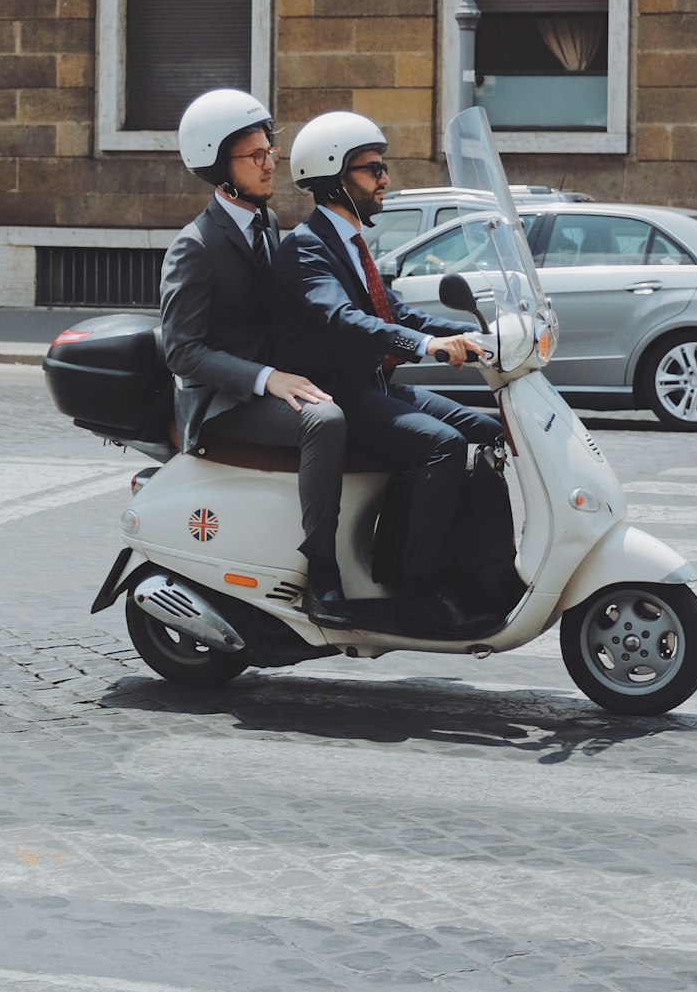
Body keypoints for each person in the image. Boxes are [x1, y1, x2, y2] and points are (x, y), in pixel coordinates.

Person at [272, 110, 499, 632]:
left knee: (487, 431)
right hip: (338, 392)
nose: (385, 181)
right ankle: (416, 587)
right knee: (444, 444)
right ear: (334, 177)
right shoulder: (306, 248)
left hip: (374, 383)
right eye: (373, 170)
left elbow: (391, 310)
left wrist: (471, 335)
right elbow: (343, 318)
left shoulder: (350, 242)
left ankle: (482, 567)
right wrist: (425, 345)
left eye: (382, 168)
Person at [160, 89, 348, 623]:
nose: (271, 164)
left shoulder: (265, 222)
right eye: (256, 156)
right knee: (324, 420)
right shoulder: (195, 246)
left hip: (264, 384)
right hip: (221, 404)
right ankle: (321, 573)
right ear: (219, 167)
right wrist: (268, 378)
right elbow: (181, 350)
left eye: (270, 151)